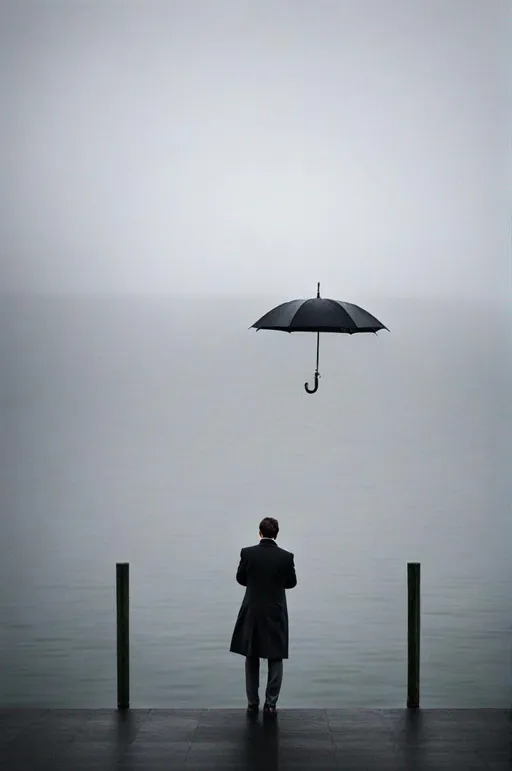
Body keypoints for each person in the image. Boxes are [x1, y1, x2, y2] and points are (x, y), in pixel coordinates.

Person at [229, 517, 297, 717]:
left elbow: (241, 578)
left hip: (253, 611)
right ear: (276, 534)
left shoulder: (248, 553)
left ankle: (252, 703)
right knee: (275, 657)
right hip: (275, 611)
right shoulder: (286, 557)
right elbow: (291, 583)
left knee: (252, 656)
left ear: (260, 532)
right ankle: (270, 704)